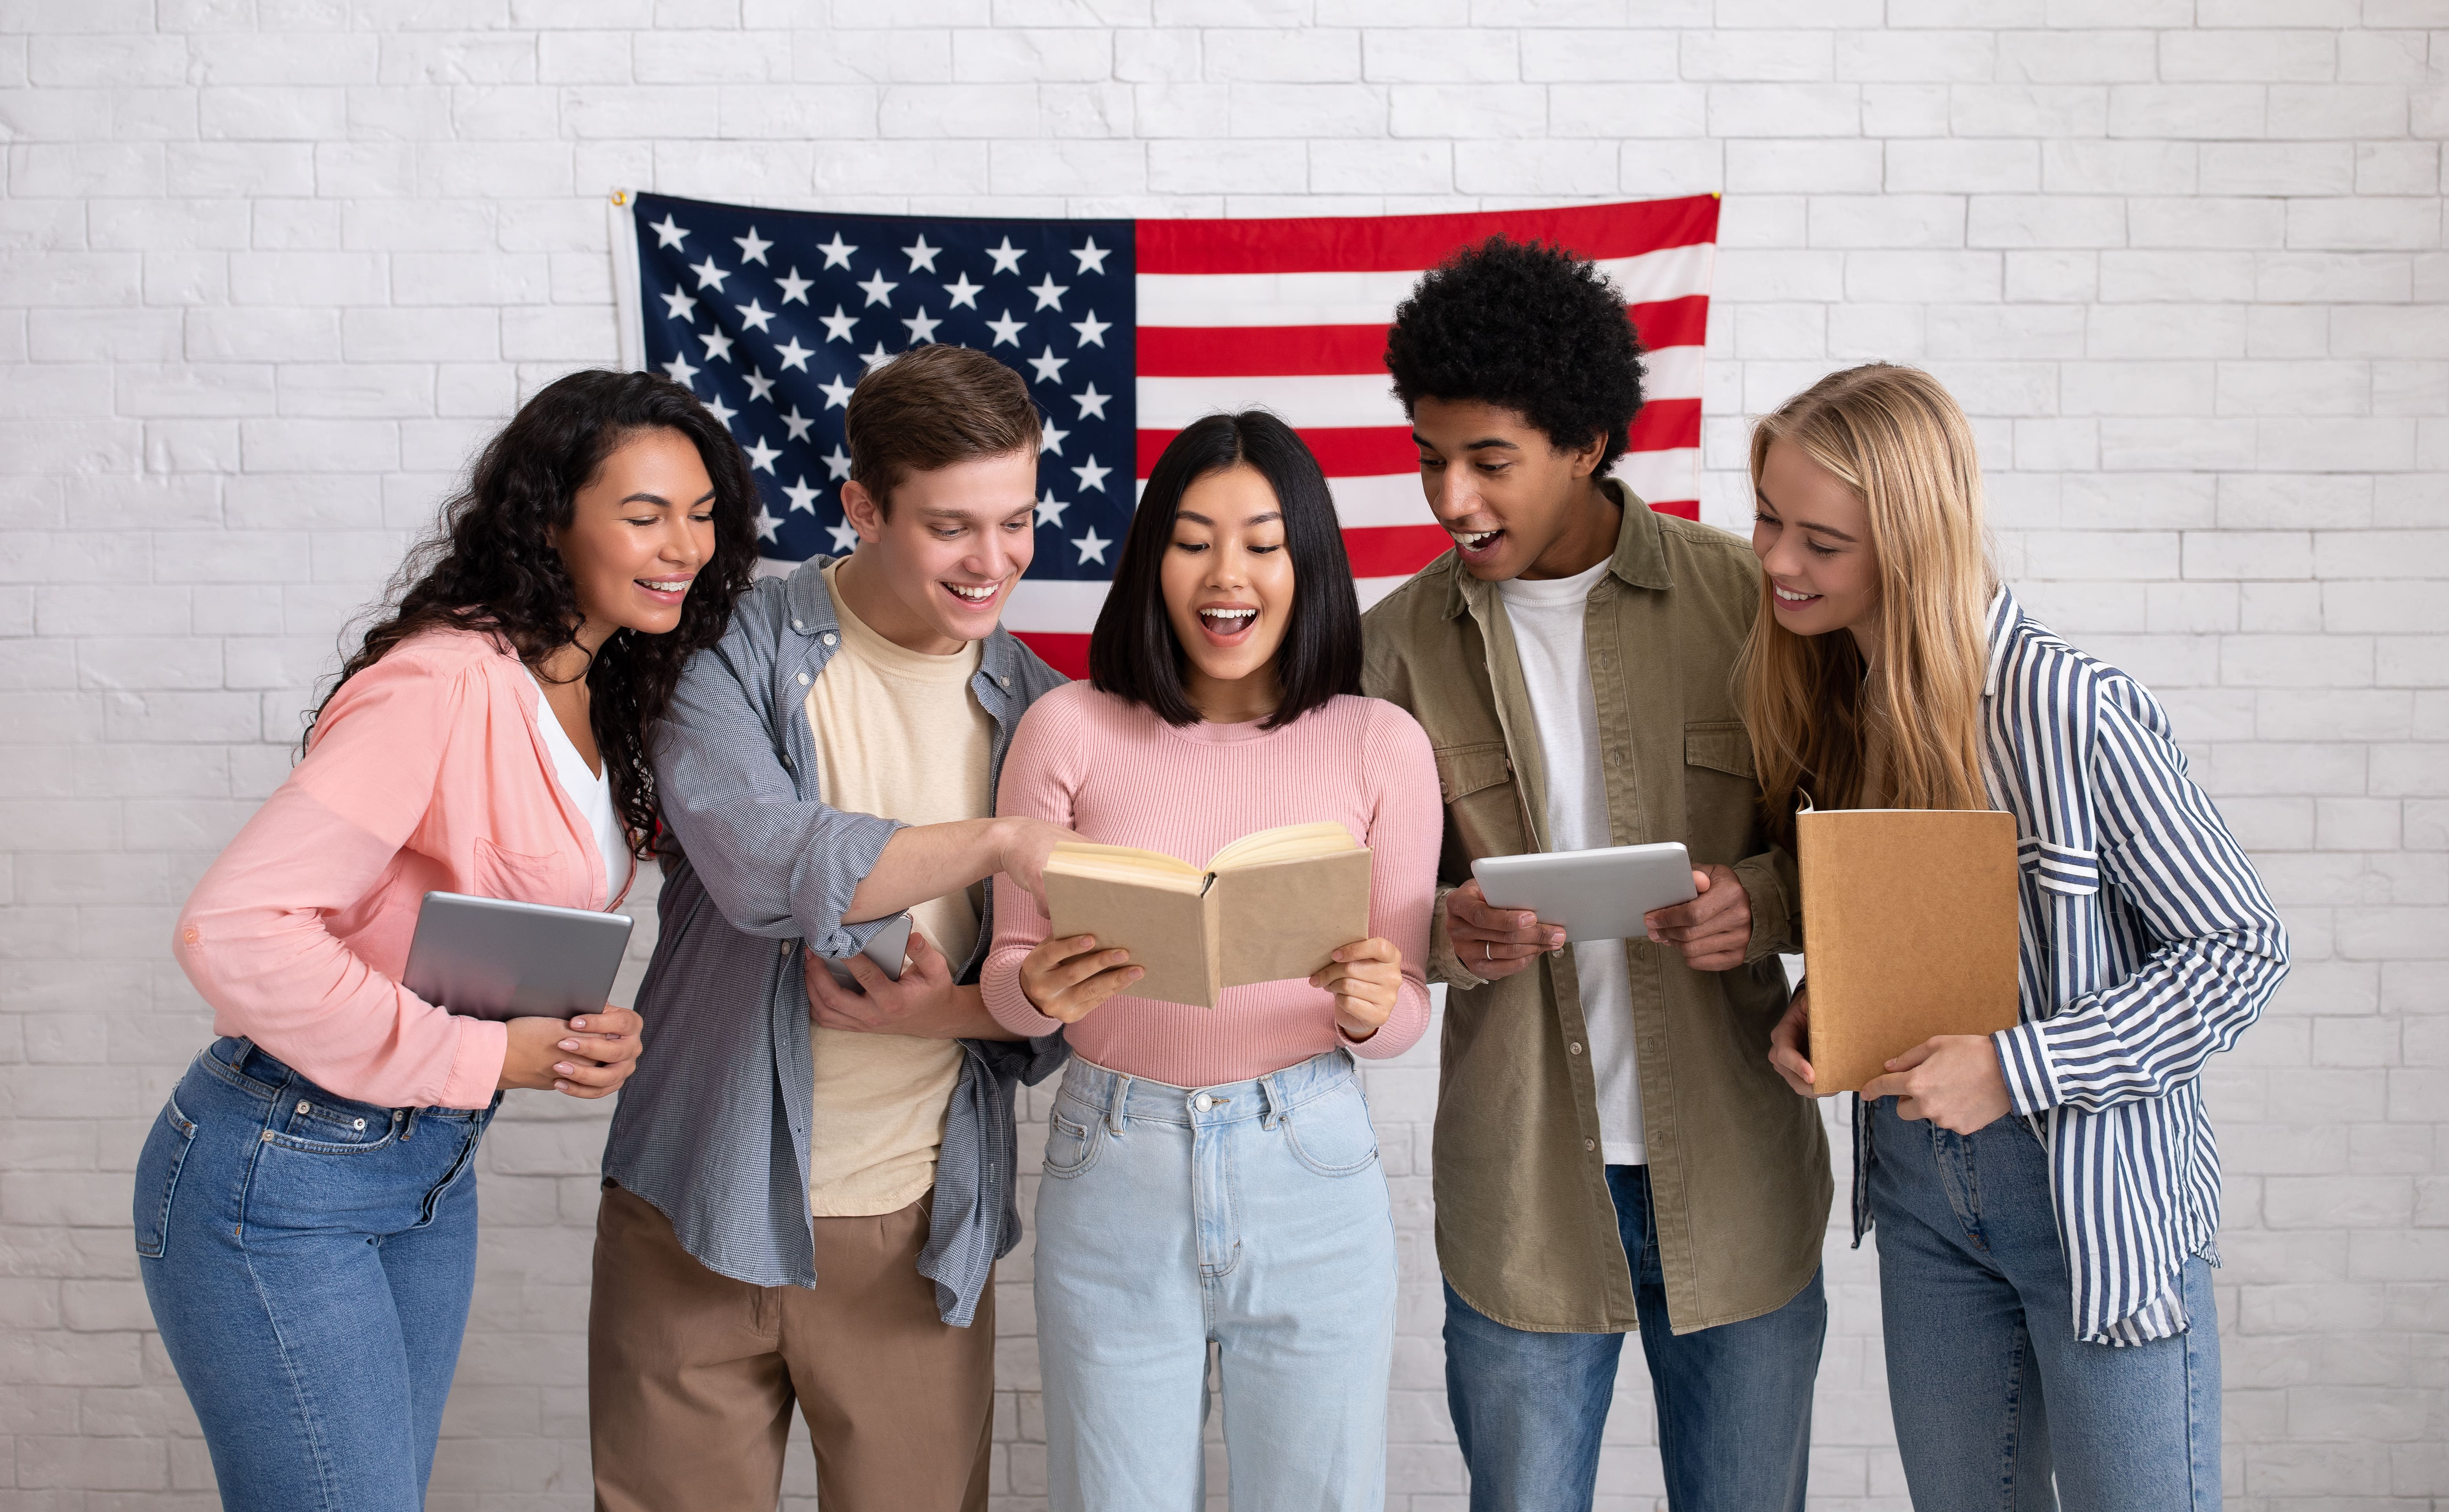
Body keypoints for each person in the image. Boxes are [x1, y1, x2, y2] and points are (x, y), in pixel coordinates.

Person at [137, 370, 760, 1510]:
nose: (688, 544)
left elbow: (445, 917)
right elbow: (234, 927)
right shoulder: (441, 684)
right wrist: (488, 1057)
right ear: (548, 520)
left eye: (704, 511)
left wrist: (561, 1033)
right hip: (282, 1170)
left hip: (425, 1167)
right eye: (644, 513)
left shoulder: (593, 682)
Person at [1746, 362, 2288, 1510]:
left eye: (1820, 541)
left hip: (2094, 1206)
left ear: (1909, 540)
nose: (1779, 562)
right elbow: (1920, 940)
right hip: (1920, 1201)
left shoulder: (2070, 706)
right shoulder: (1838, 698)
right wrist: (1827, 1006)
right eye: (1768, 521)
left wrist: (2013, 1065)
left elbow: (2239, 949)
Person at [1358, 236, 1831, 1512]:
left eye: (1487, 461)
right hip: (1524, 1193)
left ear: (1584, 444)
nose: (1450, 498)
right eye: (1427, 458)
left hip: (1735, 1173)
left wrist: (1764, 903)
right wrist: (1450, 929)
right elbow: (1360, 920)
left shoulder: (1744, 600)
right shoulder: (1394, 646)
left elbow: (1844, 838)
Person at [589, 344, 1074, 1512]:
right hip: (695, 1198)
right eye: (953, 526)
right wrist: (996, 842)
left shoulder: (1047, 712)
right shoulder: (725, 645)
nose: (994, 561)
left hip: (913, 1233)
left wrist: (946, 1008)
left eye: (1017, 520)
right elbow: (760, 862)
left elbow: (1055, 1002)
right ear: (861, 506)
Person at [980, 410, 1442, 1511]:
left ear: (1306, 561)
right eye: (1191, 539)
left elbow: (1409, 1002)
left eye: (1260, 541)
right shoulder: (1067, 727)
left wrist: (1376, 1005)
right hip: (1115, 1156)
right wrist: (1033, 992)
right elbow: (1006, 972)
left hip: (1311, 1162)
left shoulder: (1380, 741)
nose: (1224, 574)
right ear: (1151, 559)